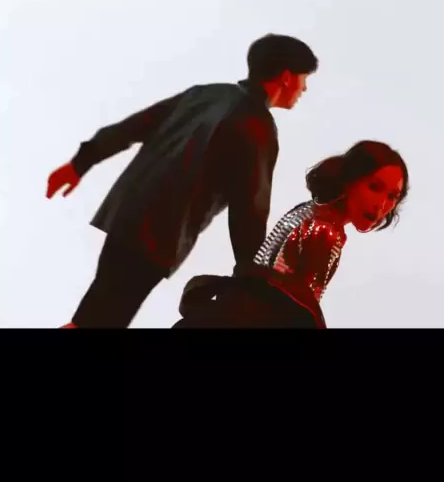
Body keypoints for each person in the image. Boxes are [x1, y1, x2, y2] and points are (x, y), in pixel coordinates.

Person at [46, 34, 319, 328]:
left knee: (93, 315)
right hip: (161, 233)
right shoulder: (258, 127)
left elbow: (135, 126)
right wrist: (251, 276)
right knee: (101, 321)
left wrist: (81, 162)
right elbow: (249, 209)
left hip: (127, 212)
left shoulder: (204, 94)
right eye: (304, 78)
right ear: (286, 77)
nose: (304, 88)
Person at [172, 140, 409, 329]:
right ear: (350, 180)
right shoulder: (327, 231)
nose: (381, 205)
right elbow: (300, 308)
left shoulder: (311, 211)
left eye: (392, 197)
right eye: (374, 187)